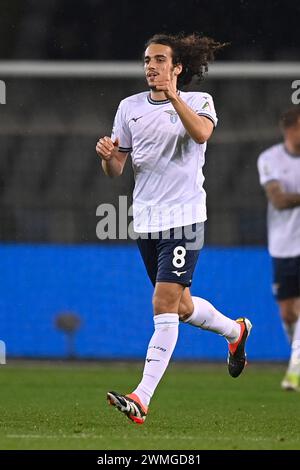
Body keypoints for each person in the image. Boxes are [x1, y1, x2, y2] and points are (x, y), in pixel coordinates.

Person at [96, 33, 252, 424]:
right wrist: (108, 157)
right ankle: (234, 332)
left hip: (185, 219)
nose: (151, 66)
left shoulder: (199, 101)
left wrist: (173, 96)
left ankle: (141, 397)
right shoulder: (129, 108)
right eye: (147, 60)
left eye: (160, 60)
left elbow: (201, 133)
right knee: (181, 307)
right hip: (146, 222)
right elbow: (117, 170)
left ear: (177, 67)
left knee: (163, 303)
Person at [257, 106, 300, 392]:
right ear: (290, 128)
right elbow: (279, 200)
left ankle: (295, 370)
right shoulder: (269, 159)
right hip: (283, 246)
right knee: (288, 314)